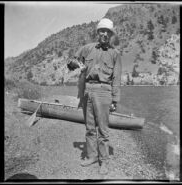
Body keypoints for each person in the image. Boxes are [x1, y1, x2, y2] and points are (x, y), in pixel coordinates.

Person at [69, 18, 122, 175]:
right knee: (90, 127)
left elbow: (117, 79)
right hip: (87, 90)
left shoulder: (115, 54)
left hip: (104, 92)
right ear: (98, 32)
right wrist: (76, 65)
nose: (105, 34)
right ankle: (92, 156)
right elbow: (71, 61)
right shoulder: (87, 48)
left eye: (108, 31)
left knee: (103, 130)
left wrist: (115, 100)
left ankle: (104, 161)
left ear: (111, 34)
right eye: (102, 30)